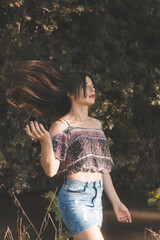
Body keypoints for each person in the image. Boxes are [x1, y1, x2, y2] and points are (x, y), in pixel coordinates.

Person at [5, 60, 132, 240]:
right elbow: (50, 171)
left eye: (92, 86)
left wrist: (116, 202)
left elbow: (101, 168)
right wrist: (45, 142)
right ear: (70, 93)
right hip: (75, 198)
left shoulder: (97, 125)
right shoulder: (61, 126)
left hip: (96, 200)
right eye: (85, 86)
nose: (92, 89)